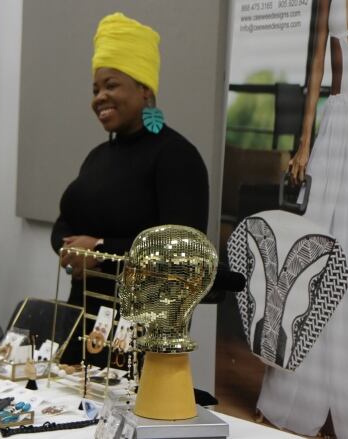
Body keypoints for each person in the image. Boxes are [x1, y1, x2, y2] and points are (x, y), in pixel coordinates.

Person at [258, 1, 348, 438]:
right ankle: (296, 398)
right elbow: (317, 67)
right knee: (315, 250)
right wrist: (304, 144)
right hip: (338, 117)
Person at [50, 12, 209, 364]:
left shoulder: (176, 156)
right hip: (85, 320)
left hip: (139, 331)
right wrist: (71, 252)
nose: (99, 97)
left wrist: (101, 251)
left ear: (144, 89)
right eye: (95, 90)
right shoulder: (97, 156)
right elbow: (66, 223)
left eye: (111, 85)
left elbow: (183, 253)